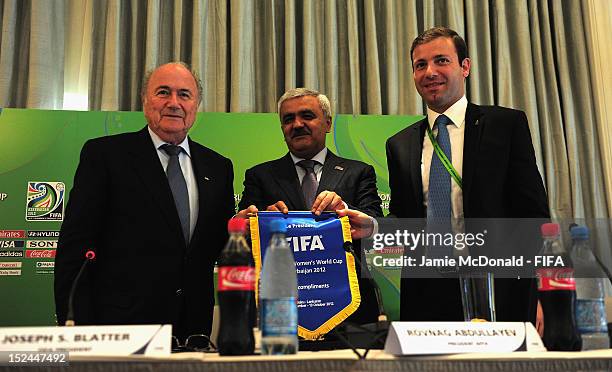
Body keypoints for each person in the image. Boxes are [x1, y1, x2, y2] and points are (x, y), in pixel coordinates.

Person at [54, 62, 235, 343]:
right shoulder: (105, 156)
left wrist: (251, 228)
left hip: (193, 330)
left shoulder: (219, 167)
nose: (174, 103)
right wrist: (75, 325)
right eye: (163, 92)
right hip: (120, 330)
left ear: (196, 105)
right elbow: (75, 249)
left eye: (184, 95)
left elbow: (222, 246)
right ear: (145, 100)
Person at [385, 27, 549, 322]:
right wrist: (371, 225)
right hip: (426, 296)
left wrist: (537, 293)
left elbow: (532, 213)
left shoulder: (505, 125)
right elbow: (403, 220)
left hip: (498, 289)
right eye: (420, 65)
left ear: (465, 67)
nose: (430, 72)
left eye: (441, 61)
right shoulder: (399, 144)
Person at [237, 88, 383, 325]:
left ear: (327, 123)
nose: (297, 124)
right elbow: (242, 233)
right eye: (288, 119)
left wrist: (344, 209)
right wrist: (256, 222)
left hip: (349, 310)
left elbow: (377, 226)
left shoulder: (359, 172)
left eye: (307, 116)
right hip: (281, 311)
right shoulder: (260, 176)